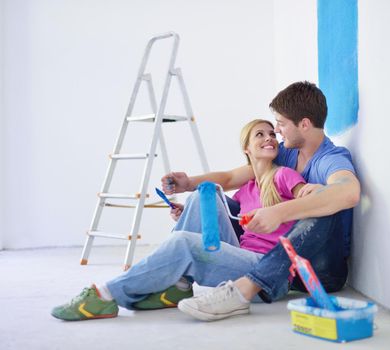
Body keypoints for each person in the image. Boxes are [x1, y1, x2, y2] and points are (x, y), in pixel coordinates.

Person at [51, 119, 306, 321]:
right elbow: (226, 181)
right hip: (240, 259)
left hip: (265, 274)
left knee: (184, 242)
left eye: (272, 133)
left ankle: (106, 295)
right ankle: (180, 284)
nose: (270, 138)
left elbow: (305, 196)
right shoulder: (248, 188)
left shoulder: (283, 175)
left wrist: (311, 192)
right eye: (260, 134)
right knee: (202, 197)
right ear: (247, 149)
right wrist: (190, 208)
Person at [169, 81, 361, 322]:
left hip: (319, 267)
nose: (277, 131)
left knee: (323, 203)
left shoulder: (330, 158)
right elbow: (231, 177)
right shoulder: (288, 151)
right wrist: (188, 183)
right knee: (209, 196)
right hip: (281, 259)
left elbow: (349, 191)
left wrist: (281, 212)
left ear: (304, 124)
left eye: (281, 124)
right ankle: (177, 279)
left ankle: (243, 289)